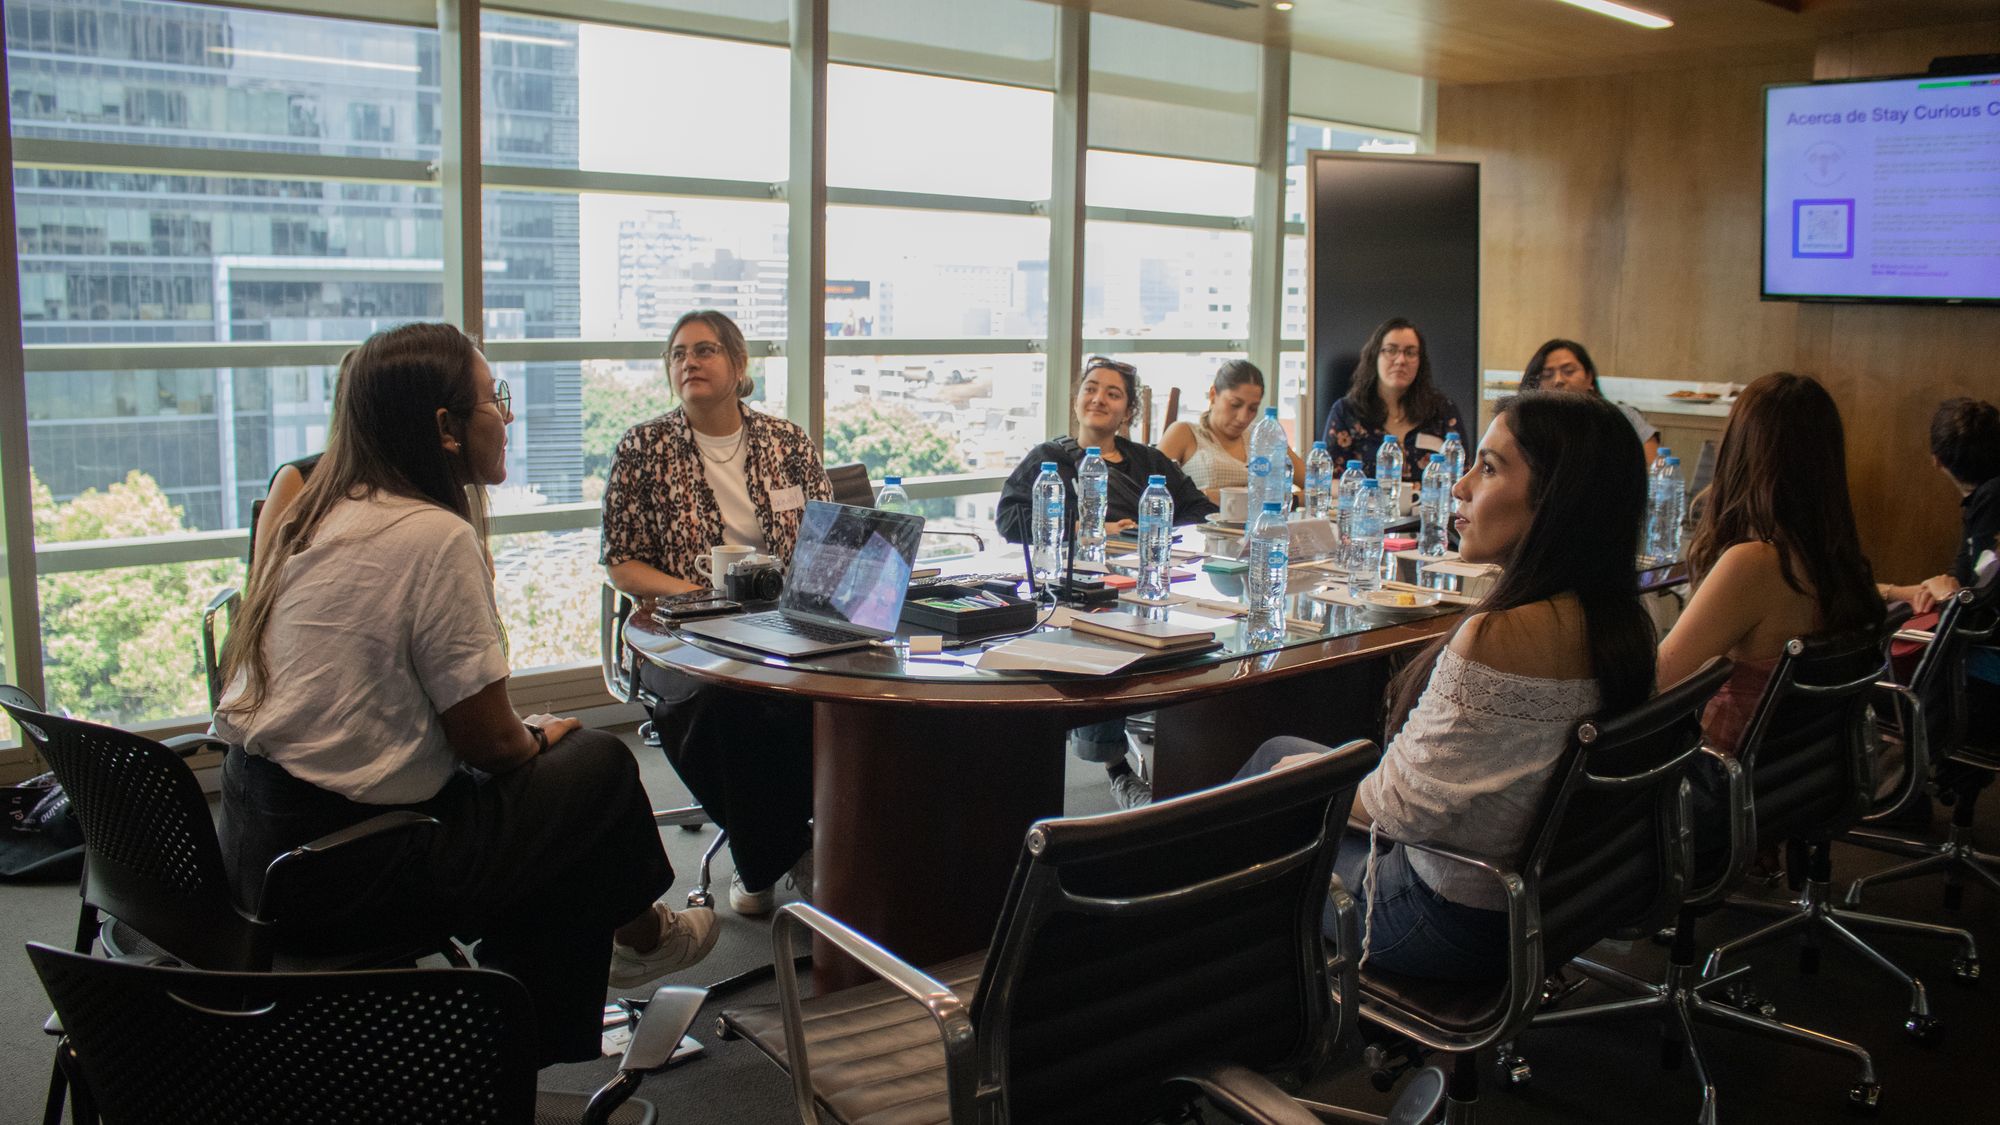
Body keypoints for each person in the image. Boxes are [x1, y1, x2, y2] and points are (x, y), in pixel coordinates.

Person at [215, 322, 714, 1069]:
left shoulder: (319, 513)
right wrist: (537, 736)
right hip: (353, 870)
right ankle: (575, 999)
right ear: (445, 428)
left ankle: (614, 955)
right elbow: (490, 744)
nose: (507, 416)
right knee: (596, 768)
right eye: (494, 399)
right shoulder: (431, 537)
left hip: (261, 845)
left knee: (552, 804)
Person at [1241, 391, 1654, 980]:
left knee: (1258, 791)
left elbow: (1401, 809)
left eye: (1488, 467)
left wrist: (1289, 788)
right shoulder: (1623, 620)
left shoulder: (1500, 633)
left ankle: (1177, 978)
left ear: (1556, 496)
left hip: (1443, 919)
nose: (1459, 487)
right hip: (1550, 900)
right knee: (1277, 753)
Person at [602, 309, 831, 916]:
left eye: (704, 350)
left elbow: (827, 539)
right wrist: (703, 596)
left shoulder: (787, 442)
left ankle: (789, 848)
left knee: (843, 691)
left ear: (738, 365)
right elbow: (622, 564)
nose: (689, 362)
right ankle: (783, 858)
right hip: (683, 632)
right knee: (723, 703)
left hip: (785, 621)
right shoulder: (643, 448)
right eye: (678, 353)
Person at [996, 356, 1218, 809]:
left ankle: (1194, 756)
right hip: (1084, 590)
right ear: (1076, 398)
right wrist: (1081, 529)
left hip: (1152, 582)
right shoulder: (1050, 459)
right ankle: (1116, 766)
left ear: (1128, 411)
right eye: (1091, 388)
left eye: (1113, 393)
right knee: (1102, 631)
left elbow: (1198, 511)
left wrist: (1144, 528)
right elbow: (1010, 521)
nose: (1099, 399)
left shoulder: (1148, 461)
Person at [1654, 373, 1884, 758]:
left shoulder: (1753, 564)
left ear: (1739, 453)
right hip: (1800, 778)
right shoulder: (1838, 559)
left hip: (1718, 781)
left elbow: (1657, 683)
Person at [1880, 398, 2000, 616]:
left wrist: (1947, 597)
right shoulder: (1979, 500)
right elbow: (1961, 575)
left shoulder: (1992, 497)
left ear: (1936, 461)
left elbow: (1979, 605)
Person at [1321, 317, 1467, 480]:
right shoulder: (1346, 411)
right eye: (1391, 350)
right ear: (1375, 356)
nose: (1401, 360)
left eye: (1410, 353)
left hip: (1430, 505)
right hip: (1366, 504)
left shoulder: (1442, 410)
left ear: (1420, 362)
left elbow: (1464, 478)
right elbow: (1328, 481)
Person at [1158, 359, 1306, 501]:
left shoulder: (1264, 438)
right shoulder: (1184, 433)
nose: (1243, 417)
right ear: (1213, 395)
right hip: (1198, 523)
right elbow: (1150, 492)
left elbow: (1317, 485)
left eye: (1253, 408)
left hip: (1256, 525)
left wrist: (1290, 500)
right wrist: (1204, 496)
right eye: (1235, 404)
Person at [1520, 338, 1661, 464]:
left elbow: (1652, 471)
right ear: (1536, 385)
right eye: (1547, 375)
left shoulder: (1623, 416)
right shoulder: (1527, 424)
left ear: (1589, 378)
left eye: (1569, 371)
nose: (1558, 380)